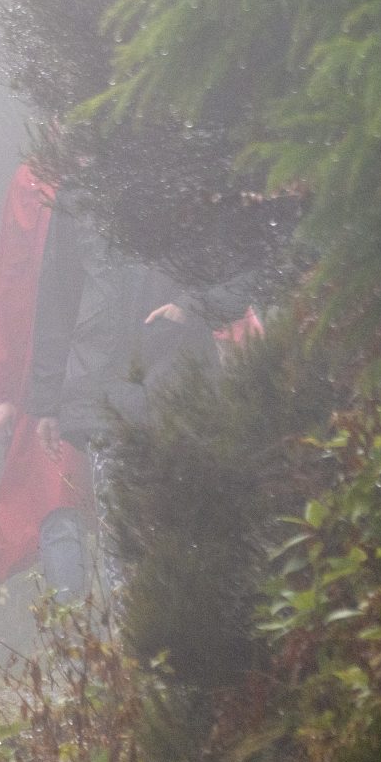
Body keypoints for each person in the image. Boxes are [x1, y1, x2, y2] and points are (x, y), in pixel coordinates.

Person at [25, 200, 234, 600]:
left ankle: (192, 626)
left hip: (180, 385)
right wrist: (47, 402)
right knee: (125, 544)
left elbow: (235, 259)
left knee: (192, 531)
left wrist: (196, 304)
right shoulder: (76, 195)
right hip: (106, 395)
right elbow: (56, 300)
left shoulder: (185, 178)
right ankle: (135, 632)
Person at [0, 161, 91, 585]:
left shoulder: (38, 179)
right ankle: (86, 628)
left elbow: (10, 283)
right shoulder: (35, 180)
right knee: (59, 496)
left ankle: (81, 623)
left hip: (57, 364)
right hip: (55, 366)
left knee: (58, 498)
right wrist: (1, 388)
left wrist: (2, 389)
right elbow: (11, 283)